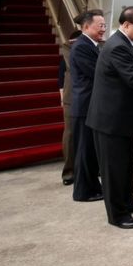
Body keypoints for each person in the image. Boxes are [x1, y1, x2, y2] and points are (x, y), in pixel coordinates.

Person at [86, 6, 133, 229]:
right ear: (126, 25)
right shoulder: (117, 46)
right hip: (110, 121)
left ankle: (128, 201)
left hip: (123, 120)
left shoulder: (125, 43)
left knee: (126, 165)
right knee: (113, 170)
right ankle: (117, 214)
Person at [69, 10, 105, 202]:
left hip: (89, 106)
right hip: (84, 107)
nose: (103, 30)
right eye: (100, 26)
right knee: (83, 152)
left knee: (90, 151)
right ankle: (83, 192)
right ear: (86, 27)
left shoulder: (90, 45)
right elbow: (96, 73)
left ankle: (93, 187)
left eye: (104, 26)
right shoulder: (82, 47)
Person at [58, 29, 82, 186]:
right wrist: (62, 99)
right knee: (71, 134)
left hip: (88, 98)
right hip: (71, 99)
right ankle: (69, 171)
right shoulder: (66, 54)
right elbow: (61, 80)